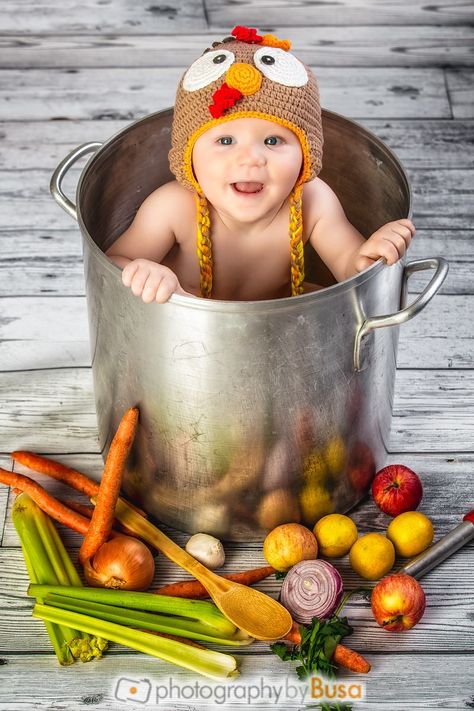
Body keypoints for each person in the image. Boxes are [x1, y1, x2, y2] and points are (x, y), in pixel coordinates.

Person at [106, 25, 415, 303]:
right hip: (189, 324)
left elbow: (349, 266)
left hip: (277, 321)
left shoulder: (312, 201)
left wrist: (369, 258)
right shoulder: (172, 206)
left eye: (272, 141)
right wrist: (145, 272)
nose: (251, 159)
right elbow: (114, 261)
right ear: (189, 156)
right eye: (225, 141)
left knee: (339, 309)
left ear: (306, 154)